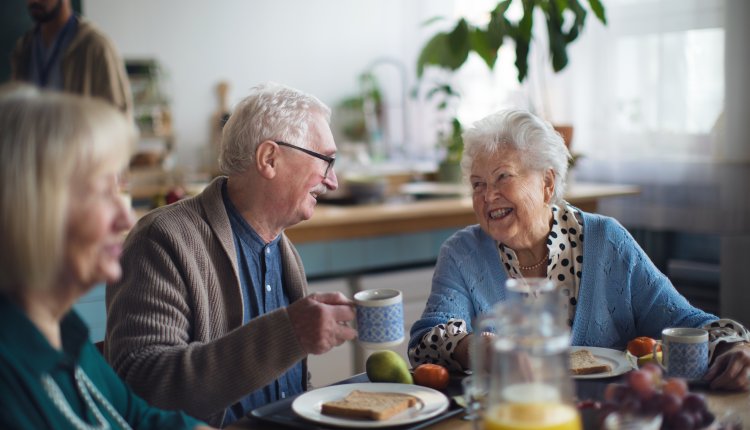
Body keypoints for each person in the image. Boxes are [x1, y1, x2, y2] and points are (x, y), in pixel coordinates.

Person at [408, 109, 750, 391]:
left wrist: (734, 346)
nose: (487, 196)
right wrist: (480, 349)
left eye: (502, 178)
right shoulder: (462, 253)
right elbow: (428, 341)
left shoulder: (607, 240)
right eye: (478, 184)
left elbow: (686, 322)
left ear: (547, 183)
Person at [105, 82, 357, 427]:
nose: (333, 182)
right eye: (326, 161)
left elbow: (284, 392)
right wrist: (289, 334)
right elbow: (144, 386)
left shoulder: (283, 252)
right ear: (269, 159)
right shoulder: (162, 239)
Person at [0, 84, 211, 429]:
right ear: (33, 209)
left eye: (121, 191)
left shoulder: (64, 331)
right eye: (102, 193)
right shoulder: (9, 373)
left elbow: (139, 418)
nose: (126, 218)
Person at [11, 0, 132, 116]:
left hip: (77, 136)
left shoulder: (95, 46)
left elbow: (119, 114)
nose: (35, 1)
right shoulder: (24, 48)